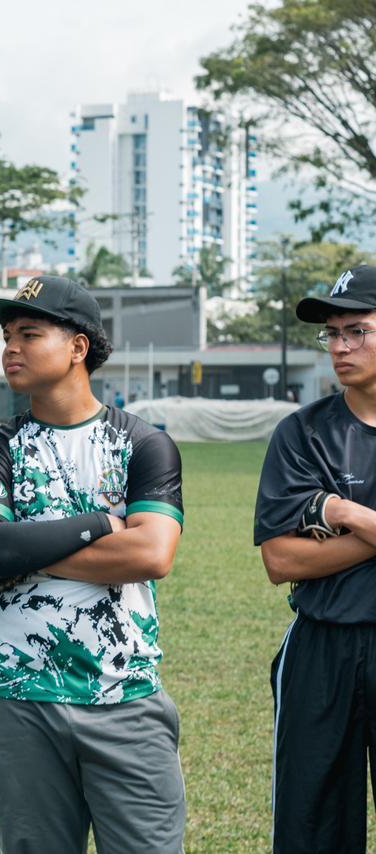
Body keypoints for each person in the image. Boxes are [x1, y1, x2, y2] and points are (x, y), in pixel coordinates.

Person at [0, 276, 186, 853]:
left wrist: (26, 552)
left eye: (29, 333)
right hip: (17, 694)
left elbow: (152, 554)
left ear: (78, 347)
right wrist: (103, 526)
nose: (10, 347)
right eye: (6, 335)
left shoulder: (143, 446)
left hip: (125, 693)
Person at [256, 264, 376, 852]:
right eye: (332, 333)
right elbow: (282, 559)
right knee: (311, 825)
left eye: (357, 330)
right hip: (322, 645)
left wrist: (344, 513)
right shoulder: (303, 433)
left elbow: (315, 540)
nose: (341, 346)